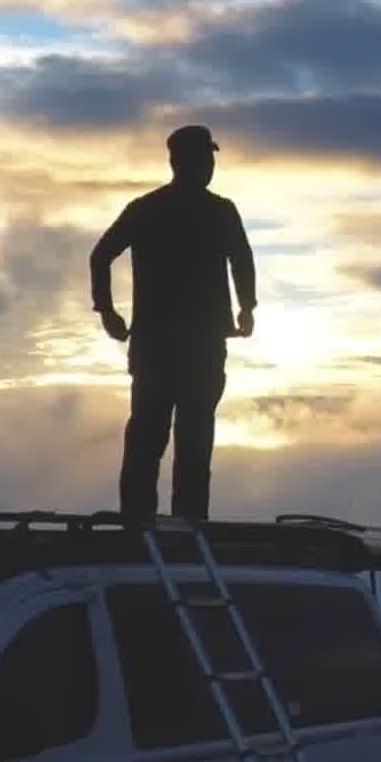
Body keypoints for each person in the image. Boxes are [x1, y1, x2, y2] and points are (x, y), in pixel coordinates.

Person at [91, 123, 258, 526]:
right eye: (206, 158)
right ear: (186, 162)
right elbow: (242, 260)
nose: (210, 166)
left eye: (211, 159)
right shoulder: (217, 211)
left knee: (159, 441)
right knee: (184, 442)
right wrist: (245, 309)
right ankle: (177, 530)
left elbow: (100, 256)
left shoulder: (148, 209)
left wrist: (108, 312)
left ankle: (148, 527)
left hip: (163, 346)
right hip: (190, 347)